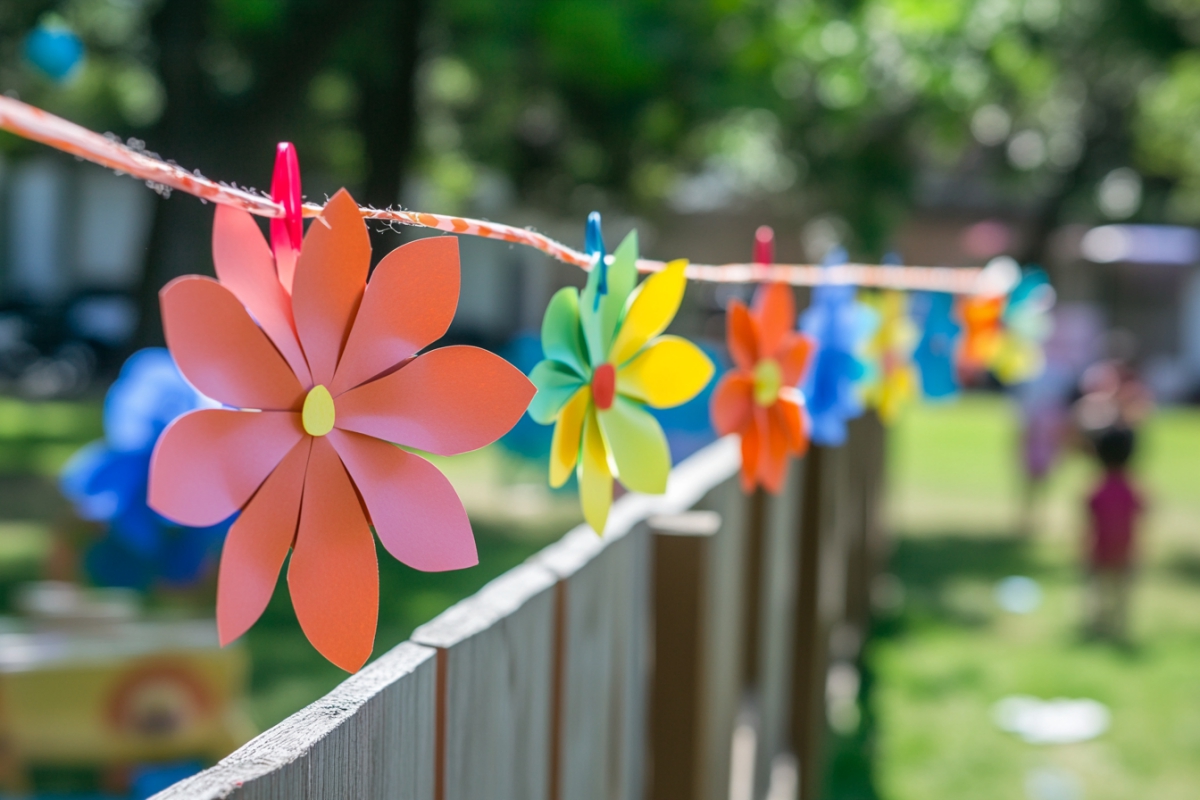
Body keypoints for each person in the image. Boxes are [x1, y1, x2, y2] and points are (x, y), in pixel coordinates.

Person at [1083, 426, 1144, 642]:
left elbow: (1086, 524)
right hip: (1127, 551)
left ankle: (1097, 627)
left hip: (1099, 551)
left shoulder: (1095, 488)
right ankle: (1118, 629)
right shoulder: (1133, 488)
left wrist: (1082, 550)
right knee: (1122, 597)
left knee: (1097, 592)